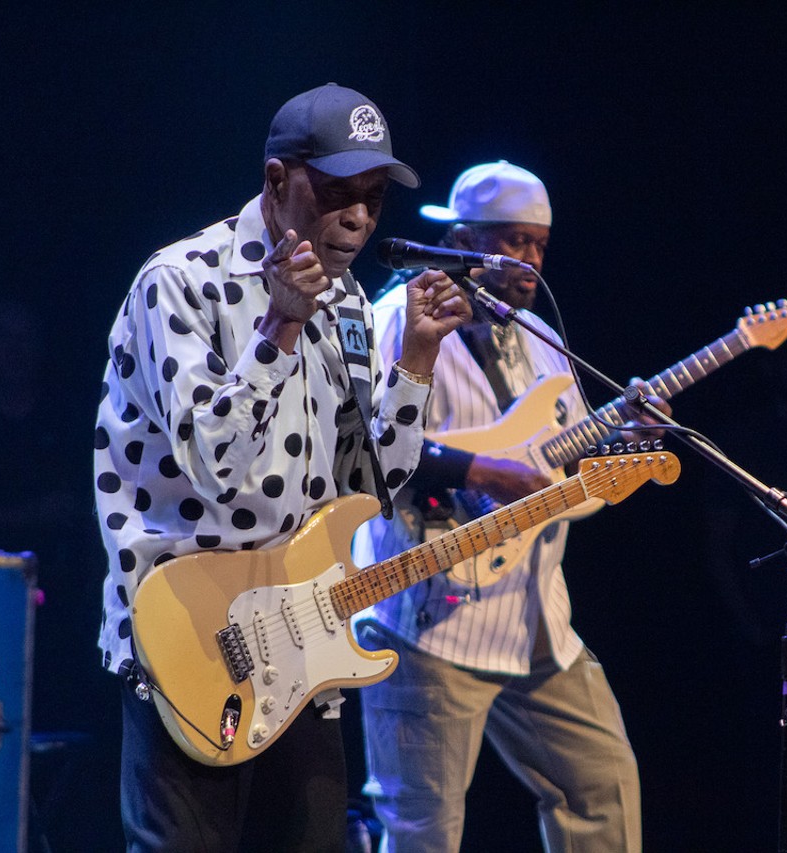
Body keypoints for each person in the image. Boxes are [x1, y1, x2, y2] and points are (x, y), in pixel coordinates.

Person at [92, 83, 472, 852]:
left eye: (371, 198)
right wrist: (279, 325)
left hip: (301, 640)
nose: (359, 218)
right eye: (336, 193)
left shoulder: (353, 305)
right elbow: (211, 463)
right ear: (276, 181)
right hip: (189, 632)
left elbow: (369, 490)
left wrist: (417, 364)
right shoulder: (180, 280)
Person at [352, 161, 655, 852]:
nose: (529, 260)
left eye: (539, 245)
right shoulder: (398, 317)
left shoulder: (541, 337)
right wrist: (477, 467)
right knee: (423, 827)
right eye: (513, 242)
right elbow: (363, 448)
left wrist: (625, 434)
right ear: (462, 238)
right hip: (427, 620)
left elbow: (564, 457)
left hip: (535, 618)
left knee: (603, 787)